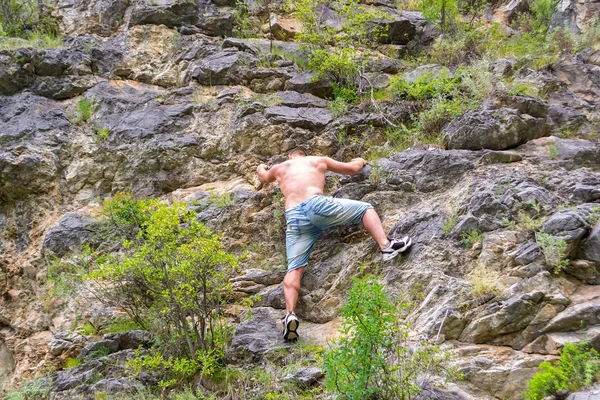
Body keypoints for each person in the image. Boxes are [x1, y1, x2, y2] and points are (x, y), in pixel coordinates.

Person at [257, 148, 412, 341]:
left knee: (294, 269)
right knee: (366, 209)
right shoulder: (317, 160)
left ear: (290, 156)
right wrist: (360, 159)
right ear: (305, 155)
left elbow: (263, 176)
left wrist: (261, 166)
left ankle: (290, 314)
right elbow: (352, 168)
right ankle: (386, 246)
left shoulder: (280, 168)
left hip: (294, 216)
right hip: (316, 205)